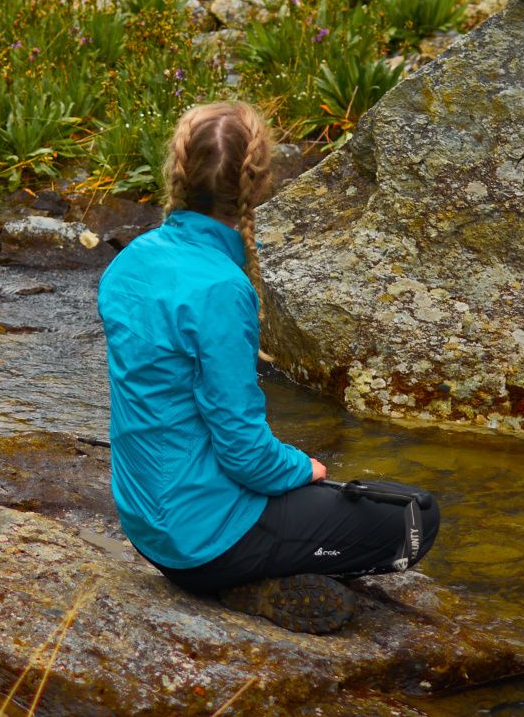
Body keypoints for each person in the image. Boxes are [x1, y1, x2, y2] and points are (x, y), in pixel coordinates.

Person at [96, 100, 441, 633]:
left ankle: (251, 570)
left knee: (323, 498)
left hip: (147, 525)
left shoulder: (129, 263)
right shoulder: (221, 287)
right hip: (204, 541)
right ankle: (253, 584)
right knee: (414, 516)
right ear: (255, 186)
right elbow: (242, 450)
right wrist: (301, 470)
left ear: (177, 171)